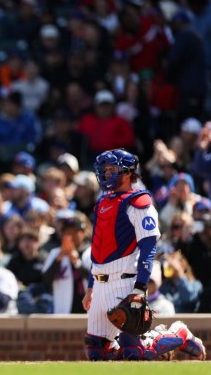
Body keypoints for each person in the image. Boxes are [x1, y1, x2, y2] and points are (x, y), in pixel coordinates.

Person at [82, 149, 160, 361]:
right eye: (105, 170)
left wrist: (140, 288)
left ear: (127, 173)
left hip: (124, 282)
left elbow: (149, 246)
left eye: (112, 170)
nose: (107, 174)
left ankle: (176, 335)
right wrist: (90, 287)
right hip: (99, 285)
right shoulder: (102, 202)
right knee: (97, 350)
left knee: (133, 351)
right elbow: (97, 250)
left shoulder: (139, 203)